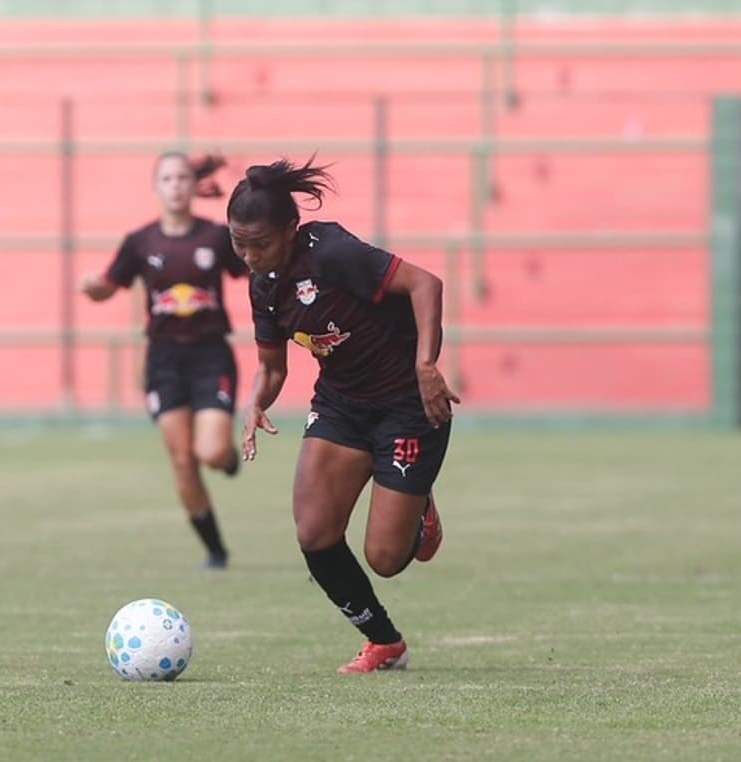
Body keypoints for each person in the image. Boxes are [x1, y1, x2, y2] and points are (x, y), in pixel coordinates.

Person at [229, 159, 458, 674]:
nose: (247, 256)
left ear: (290, 229)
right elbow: (272, 366)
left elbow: (427, 285)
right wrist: (256, 401)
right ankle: (384, 642)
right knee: (314, 533)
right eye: (238, 243)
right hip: (342, 407)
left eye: (258, 243)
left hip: (407, 406)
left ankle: (418, 504)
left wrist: (426, 366)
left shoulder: (332, 253)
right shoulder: (264, 283)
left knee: (387, 559)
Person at [80, 152, 248, 569]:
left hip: (211, 355)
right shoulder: (141, 242)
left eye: (182, 178)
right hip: (165, 361)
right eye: (167, 178)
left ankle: (227, 461)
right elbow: (109, 285)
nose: (175, 185)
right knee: (182, 459)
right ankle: (215, 549)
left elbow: (253, 269)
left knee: (210, 451)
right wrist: (92, 288)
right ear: (157, 187)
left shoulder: (215, 237)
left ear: (194, 186)